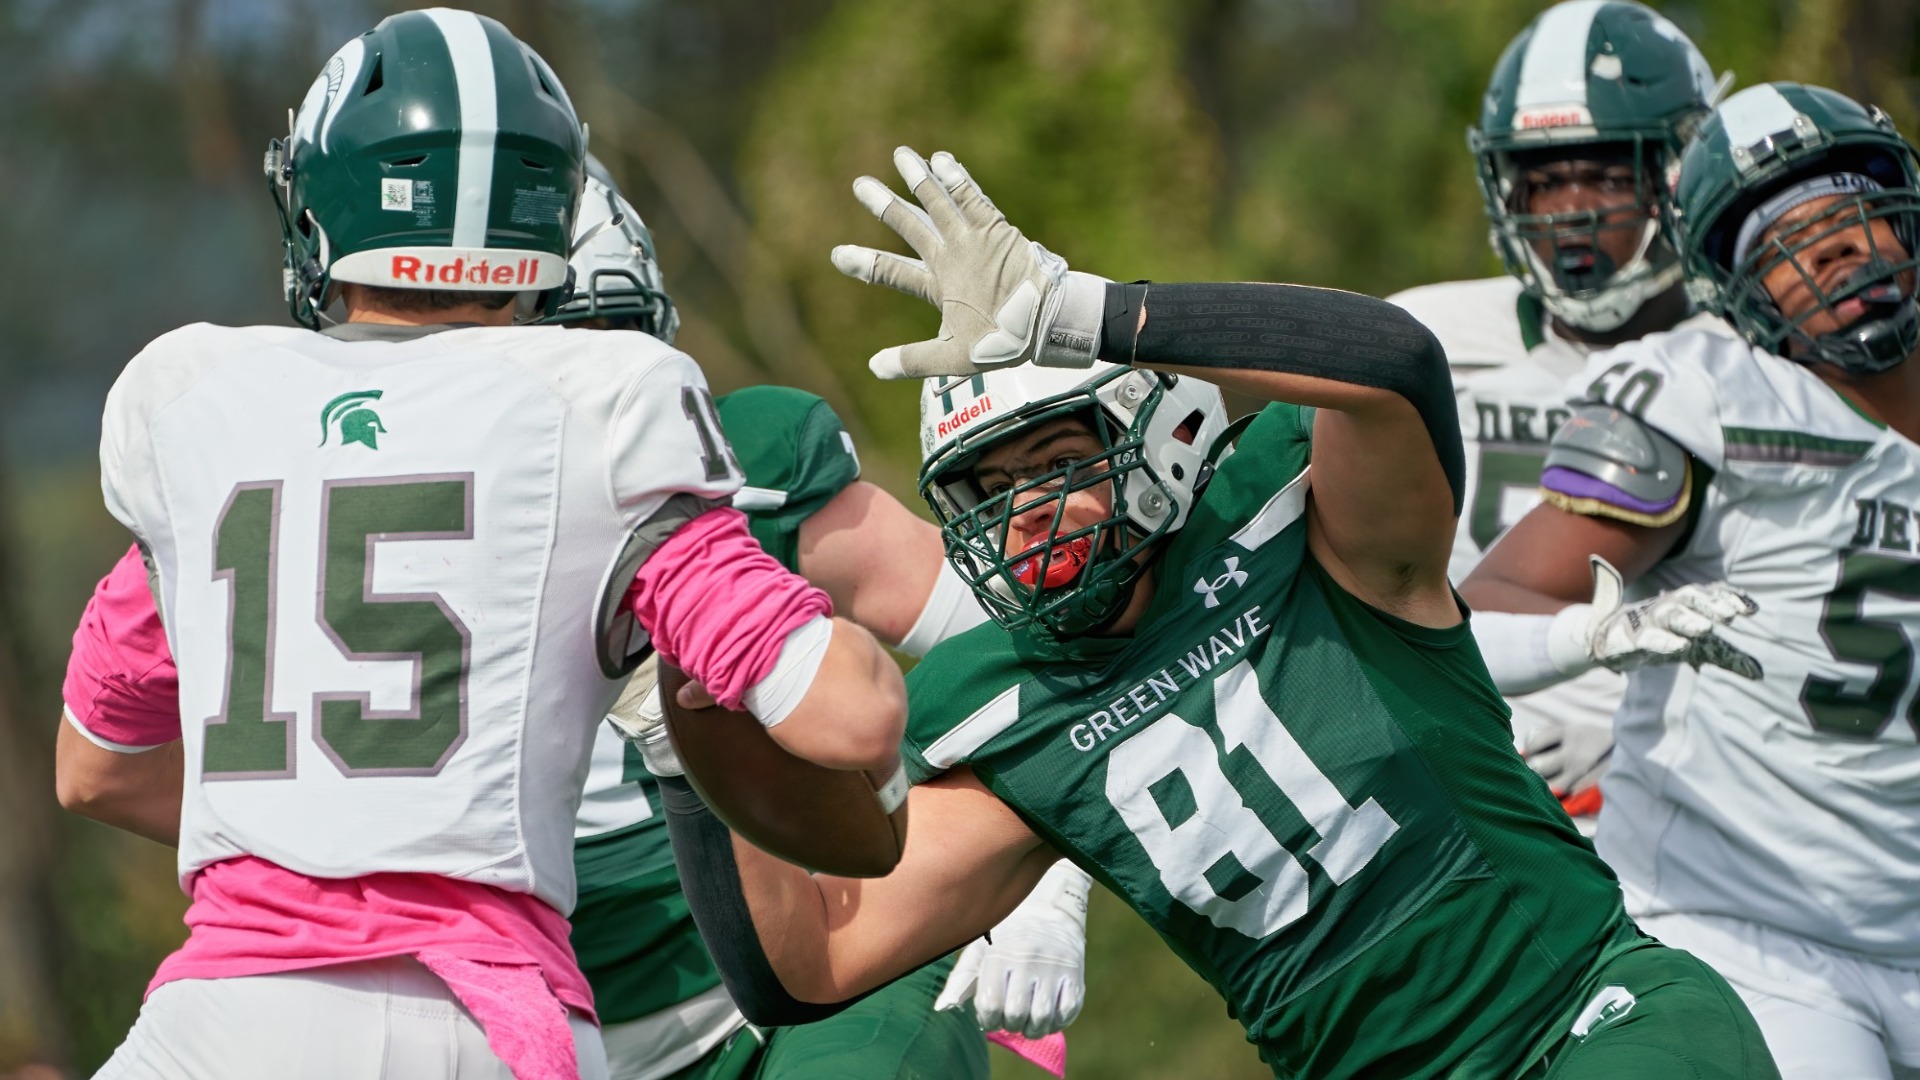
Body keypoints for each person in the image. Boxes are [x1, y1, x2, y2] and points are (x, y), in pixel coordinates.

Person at [650, 146, 1780, 1079]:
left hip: (1589, 1018)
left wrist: (1093, 314)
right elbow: (807, 965)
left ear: (1160, 434)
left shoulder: (1308, 526)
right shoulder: (1010, 706)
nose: (1025, 514)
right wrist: (674, 734)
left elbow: (1389, 363)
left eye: (1052, 461)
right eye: (986, 492)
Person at [53, 12, 904, 1079]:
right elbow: (849, 715)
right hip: (489, 1021)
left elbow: (94, 766)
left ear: (320, 202)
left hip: (234, 1018)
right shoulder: (598, 403)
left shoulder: (198, 400)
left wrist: (330, 827)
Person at [550, 163, 1090, 1080]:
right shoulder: (342, 531)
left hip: (815, 988)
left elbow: (1031, 635)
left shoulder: (739, 464)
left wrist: (1046, 878)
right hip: (528, 1030)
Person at [1460, 82, 1920, 1080]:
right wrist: (1592, 645)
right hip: (1750, 925)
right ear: (1741, 292)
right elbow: (1492, 601)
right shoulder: (1720, 393)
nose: (1835, 252)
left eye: (1852, 217)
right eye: (1786, 243)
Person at [1388, 0, 1734, 827]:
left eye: (1608, 175)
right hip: (1452, 798)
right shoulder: (1419, 339)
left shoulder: (1753, 365)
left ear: (1683, 174)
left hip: (1691, 811)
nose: (1570, 211)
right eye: (1544, 180)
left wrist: (1634, 738)